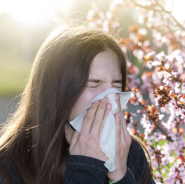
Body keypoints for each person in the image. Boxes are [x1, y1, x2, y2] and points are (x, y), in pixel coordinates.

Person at [0, 23, 155, 184]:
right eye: (94, 84)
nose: (110, 98)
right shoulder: (9, 167)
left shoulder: (130, 154)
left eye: (116, 85)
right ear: (58, 90)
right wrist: (86, 170)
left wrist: (121, 176)